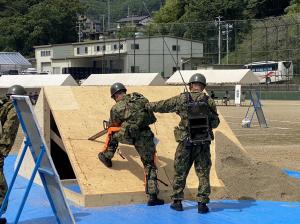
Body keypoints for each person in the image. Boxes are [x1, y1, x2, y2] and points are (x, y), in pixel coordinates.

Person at [148, 73, 220, 213]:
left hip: (186, 143)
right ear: (203, 86)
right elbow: (215, 123)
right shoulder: (209, 101)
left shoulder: (182, 99)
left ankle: (177, 201)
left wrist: (148, 106)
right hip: (203, 143)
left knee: (180, 171)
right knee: (203, 173)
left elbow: (163, 105)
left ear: (190, 85)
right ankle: (202, 204)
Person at [98, 82, 164, 206]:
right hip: (144, 136)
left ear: (115, 96)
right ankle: (153, 196)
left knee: (112, 133)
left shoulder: (116, 108)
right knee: (149, 164)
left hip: (127, 136)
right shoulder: (140, 99)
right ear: (124, 91)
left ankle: (107, 156)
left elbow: (114, 125)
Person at [0, 85, 26, 224]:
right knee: (2, 190)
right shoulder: (12, 108)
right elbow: (8, 130)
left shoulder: (2, 103)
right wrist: (2, 152)